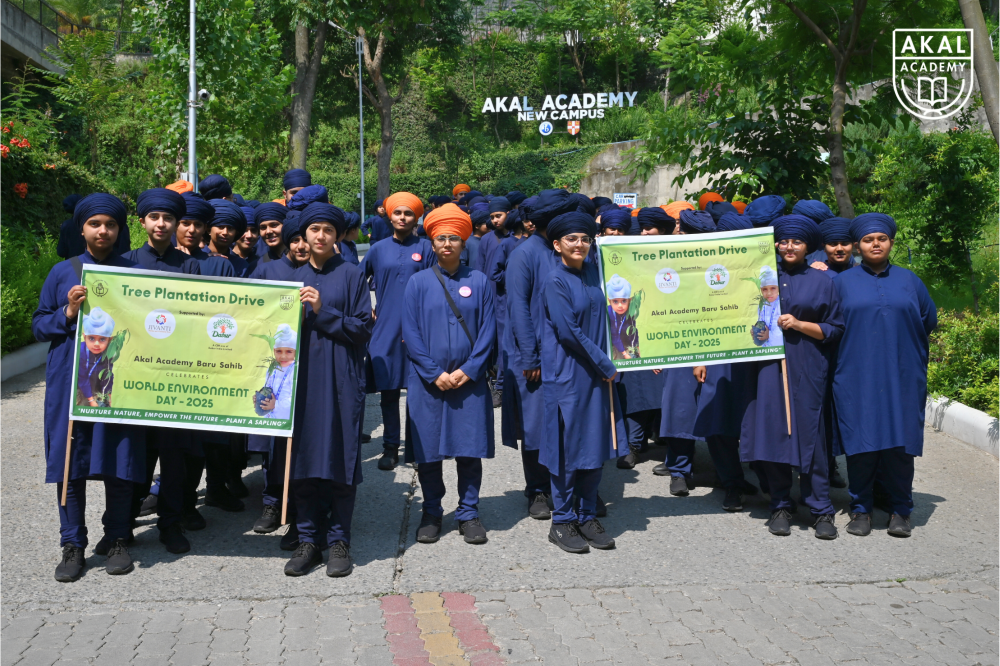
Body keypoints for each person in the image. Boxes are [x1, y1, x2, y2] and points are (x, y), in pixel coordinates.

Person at [33, 193, 144, 581]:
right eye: (95, 224)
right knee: (69, 463)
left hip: (118, 384)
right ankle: (73, 545)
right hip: (70, 383)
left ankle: (116, 538)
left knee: (118, 459)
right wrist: (67, 313)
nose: (103, 231)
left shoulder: (133, 271)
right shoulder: (63, 272)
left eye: (110, 224)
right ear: (81, 228)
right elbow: (38, 325)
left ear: (119, 230)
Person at [283, 202, 373, 577]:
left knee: (340, 461)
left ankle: (338, 541)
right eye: (314, 230)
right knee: (302, 464)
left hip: (340, 380)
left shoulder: (351, 275)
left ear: (337, 236)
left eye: (328, 231)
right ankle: (308, 540)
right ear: (302, 235)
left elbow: (363, 330)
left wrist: (324, 311)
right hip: (298, 383)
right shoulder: (287, 278)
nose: (320, 236)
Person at [833, 213, 937, 538]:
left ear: (890, 242)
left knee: (900, 447)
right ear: (857, 246)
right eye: (868, 239)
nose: (875, 244)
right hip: (856, 376)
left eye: (881, 238)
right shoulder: (841, 283)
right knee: (861, 446)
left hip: (902, 376)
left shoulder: (910, 281)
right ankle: (861, 510)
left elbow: (928, 320)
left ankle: (900, 511)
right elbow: (829, 326)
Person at [740, 214, 844, 539]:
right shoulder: (760, 278)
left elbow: (834, 328)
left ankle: (820, 508)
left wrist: (798, 324)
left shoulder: (822, 281)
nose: (789, 247)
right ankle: (781, 503)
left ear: (807, 246)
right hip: (768, 367)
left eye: (796, 242)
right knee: (774, 431)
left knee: (810, 434)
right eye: (783, 241)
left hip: (808, 365)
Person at [403, 204, 496, 545]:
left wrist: (469, 370)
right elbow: (410, 331)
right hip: (428, 383)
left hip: (467, 383)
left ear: (464, 242)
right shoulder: (418, 283)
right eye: (440, 238)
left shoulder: (480, 281)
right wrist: (433, 372)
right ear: (431, 243)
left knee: (469, 450)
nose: (446, 244)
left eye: (453, 238)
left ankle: (468, 512)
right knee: (428, 451)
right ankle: (431, 511)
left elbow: (489, 330)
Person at [123, 188, 203, 554]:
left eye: (167, 218)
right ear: (142, 222)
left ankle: (170, 525)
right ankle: (122, 526)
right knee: (133, 459)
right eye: (153, 217)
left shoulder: (189, 266)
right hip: (134, 378)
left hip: (175, 378)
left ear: (175, 224)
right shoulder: (124, 264)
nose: (161, 224)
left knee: (173, 459)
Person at [541, 211, 626, 554]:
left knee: (595, 446)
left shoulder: (594, 272)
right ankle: (561, 521)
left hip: (597, 375)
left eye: (585, 239)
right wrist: (606, 363)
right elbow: (568, 333)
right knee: (566, 451)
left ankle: (587, 514)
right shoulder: (555, 281)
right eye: (572, 239)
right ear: (557, 244)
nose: (580, 244)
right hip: (568, 375)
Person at [502, 189, 577, 519]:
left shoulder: (570, 250)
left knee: (570, 422)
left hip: (570, 355)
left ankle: (575, 487)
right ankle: (537, 490)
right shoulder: (525, 254)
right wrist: (530, 357)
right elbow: (517, 307)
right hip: (533, 355)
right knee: (534, 428)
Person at [246, 210, 311, 538]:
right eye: (295, 239)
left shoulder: (319, 273)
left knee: (304, 440)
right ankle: (272, 502)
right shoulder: (267, 270)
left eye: (305, 239)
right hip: (274, 370)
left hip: (311, 368)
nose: (301, 246)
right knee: (273, 439)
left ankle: (299, 508)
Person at [360, 192, 435, 470]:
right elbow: (357, 281)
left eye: (408, 213)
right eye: (398, 213)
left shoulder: (427, 248)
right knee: (389, 391)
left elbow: (436, 286)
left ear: (417, 217)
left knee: (418, 393)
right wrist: (365, 310)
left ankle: (416, 450)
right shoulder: (378, 248)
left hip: (421, 329)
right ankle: (390, 447)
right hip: (385, 330)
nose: (402, 218)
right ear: (389, 216)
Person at [808, 216, 857, 489]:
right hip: (824, 353)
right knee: (824, 413)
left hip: (856, 355)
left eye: (844, 243)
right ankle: (826, 466)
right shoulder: (815, 273)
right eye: (832, 243)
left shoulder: (864, 271)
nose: (839, 248)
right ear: (823, 247)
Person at [480, 196, 513, 407]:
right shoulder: (487, 239)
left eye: (498, 215)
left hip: (510, 298)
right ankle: (494, 382)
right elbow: (480, 270)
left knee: (506, 343)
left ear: (509, 214)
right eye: (492, 217)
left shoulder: (517, 239)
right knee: (493, 342)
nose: (495, 220)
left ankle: (502, 386)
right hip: (492, 297)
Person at [175, 193, 236, 277]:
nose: (192, 230)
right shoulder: (162, 261)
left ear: (205, 228)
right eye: (186, 223)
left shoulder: (221, 266)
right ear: (175, 225)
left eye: (198, 225)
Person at [206, 200, 250, 277]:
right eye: (221, 227)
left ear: (236, 232)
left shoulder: (241, 266)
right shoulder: (195, 259)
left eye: (230, 228)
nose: (225, 232)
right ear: (208, 230)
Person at [250, 202, 289, 271]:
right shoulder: (256, 267)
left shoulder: (303, 260)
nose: (268, 231)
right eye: (263, 227)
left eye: (274, 225)